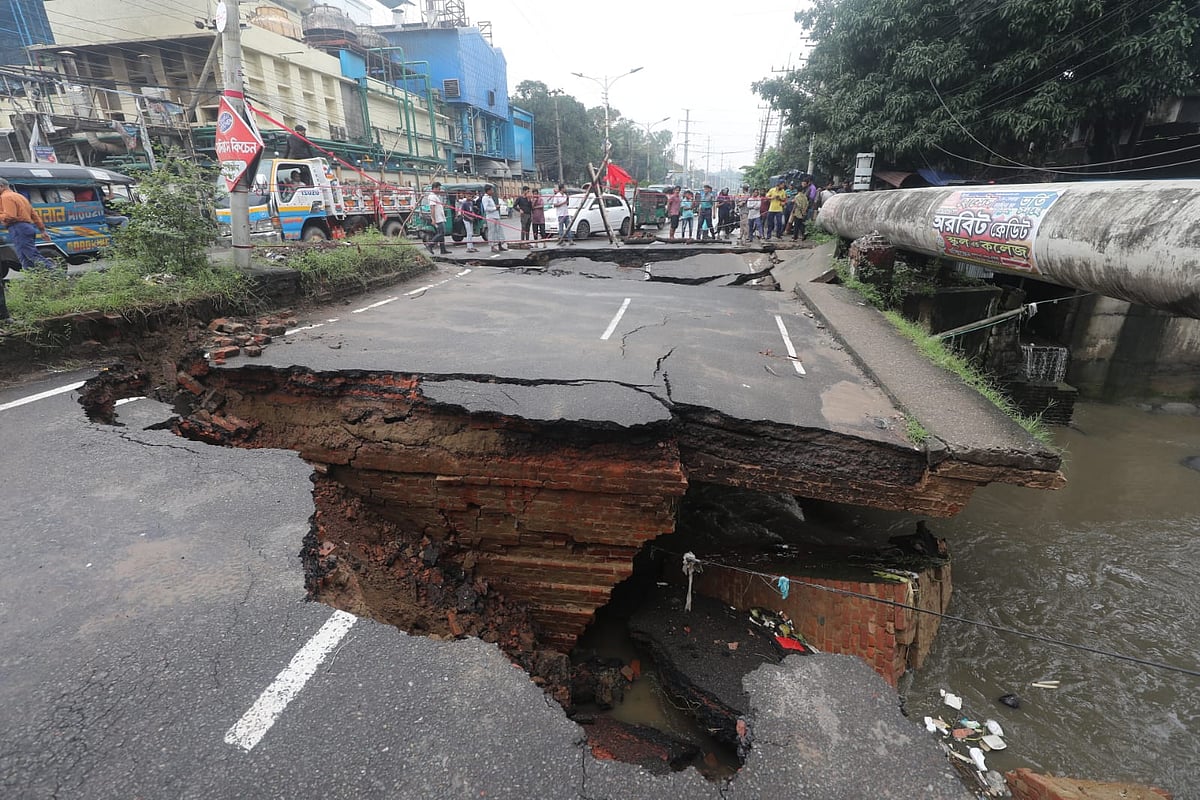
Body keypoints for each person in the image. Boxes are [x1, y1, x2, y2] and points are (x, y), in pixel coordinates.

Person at [0, 177, 55, 273]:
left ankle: (55, 271)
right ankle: (33, 278)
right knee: (24, 257)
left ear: (1, 186)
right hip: (27, 227)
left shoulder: (5, 197)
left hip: (18, 227)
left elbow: (10, 216)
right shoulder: (20, 196)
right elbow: (34, 215)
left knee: (30, 255)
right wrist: (42, 230)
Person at [482, 184, 506, 252]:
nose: (492, 191)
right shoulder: (485, 198)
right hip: (491, 217)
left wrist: (496, 206)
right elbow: (486, 208)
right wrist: (495, 208)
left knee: (499, 231)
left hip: (496, 216)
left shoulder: (490, 197)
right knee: (492, 232)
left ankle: (500, 245)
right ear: (488, 191)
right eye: (491, 190)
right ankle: (492, 246)